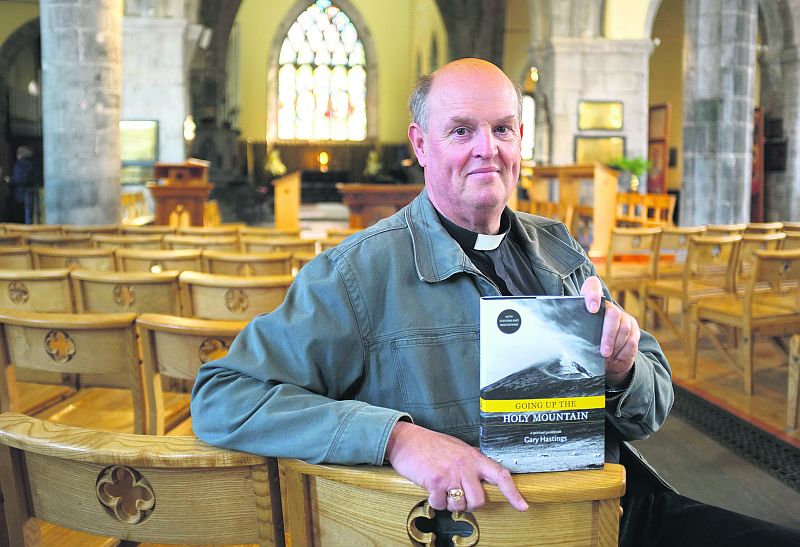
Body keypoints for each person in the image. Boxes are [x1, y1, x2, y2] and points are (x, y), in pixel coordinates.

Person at [191, 59, 800, 546]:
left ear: (519, 140)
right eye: (461, 130)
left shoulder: (558, 248)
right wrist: (397, 439)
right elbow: (223, 397)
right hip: (487, 529)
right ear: (420, 144)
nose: (488, 148)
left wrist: (621, 369)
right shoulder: (356, 273)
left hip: (610, 508)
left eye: (502, 128)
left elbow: (649, 412)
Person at [8, 145, 39, 224]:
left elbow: (18, 180)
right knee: (30, 213)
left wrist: (9, 180)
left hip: (21, 193)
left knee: (22, 215)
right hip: (31, 191)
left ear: (20, 155)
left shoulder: (19, 165)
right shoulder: (32, 164)